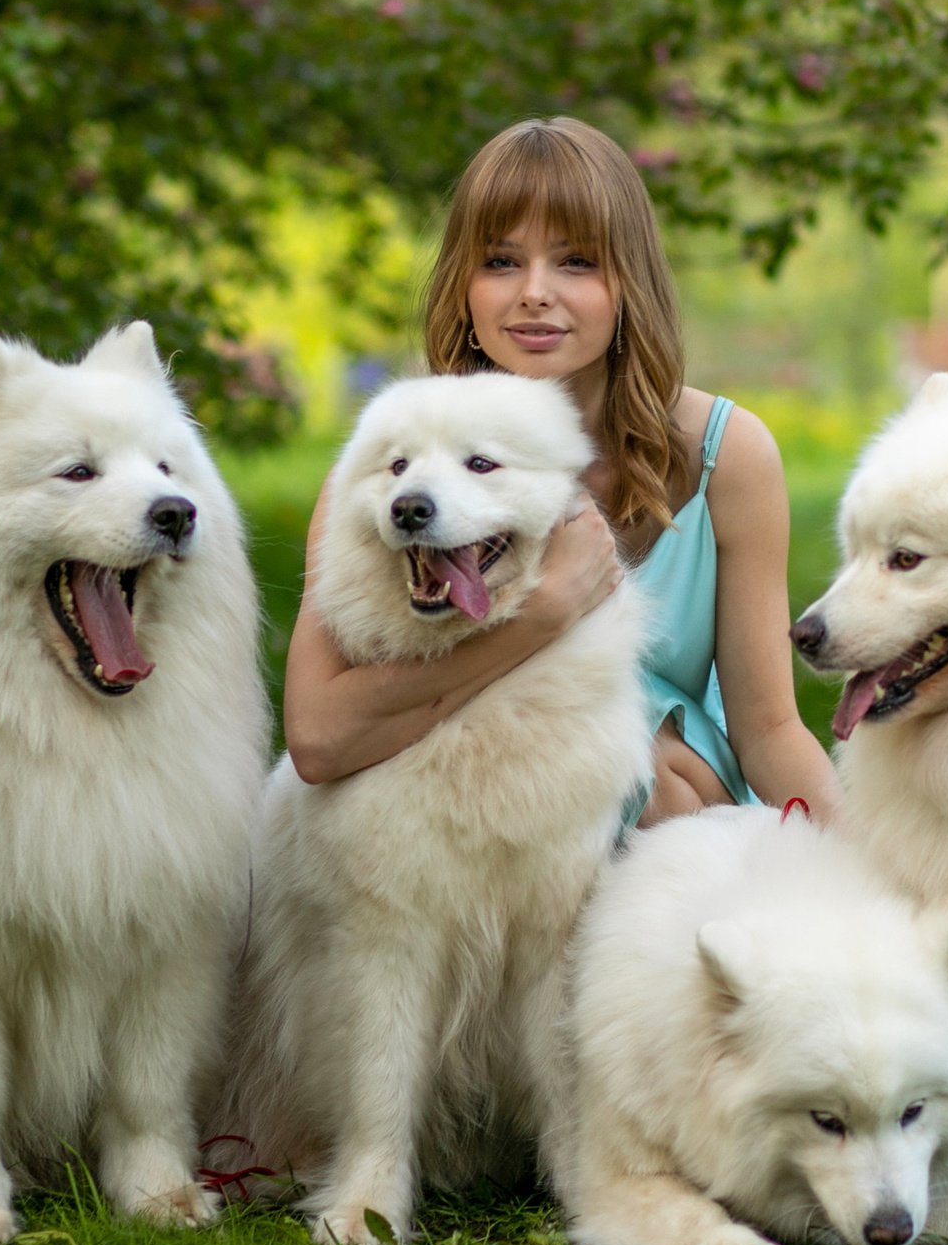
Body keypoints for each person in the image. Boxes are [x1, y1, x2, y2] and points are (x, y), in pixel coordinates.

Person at [281, 116, 841, 825]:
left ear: (628, 281)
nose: (534, 292)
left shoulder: (726, 453)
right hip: (476, 817)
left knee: (652, 768)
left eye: (576, 262)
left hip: (672, 814)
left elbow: (769, 732)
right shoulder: (391, 476)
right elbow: (317, 739)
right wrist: (543, 614)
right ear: (463, 286)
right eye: (502, 261)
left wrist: (866, 865)